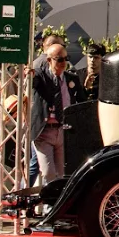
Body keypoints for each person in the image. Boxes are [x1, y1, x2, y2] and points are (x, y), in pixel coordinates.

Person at [32, 41, 81, 184]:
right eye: (59, 59)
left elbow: (82, 101)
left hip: (64, 131)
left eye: (66, 58)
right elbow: (32, 81)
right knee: (48, 173)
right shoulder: (41, 76)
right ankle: (48, 198)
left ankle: (56, 199)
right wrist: (28, 75)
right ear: (49, 60)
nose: (63, 63)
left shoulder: (72, 78)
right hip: (44, 131)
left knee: (62, 175)